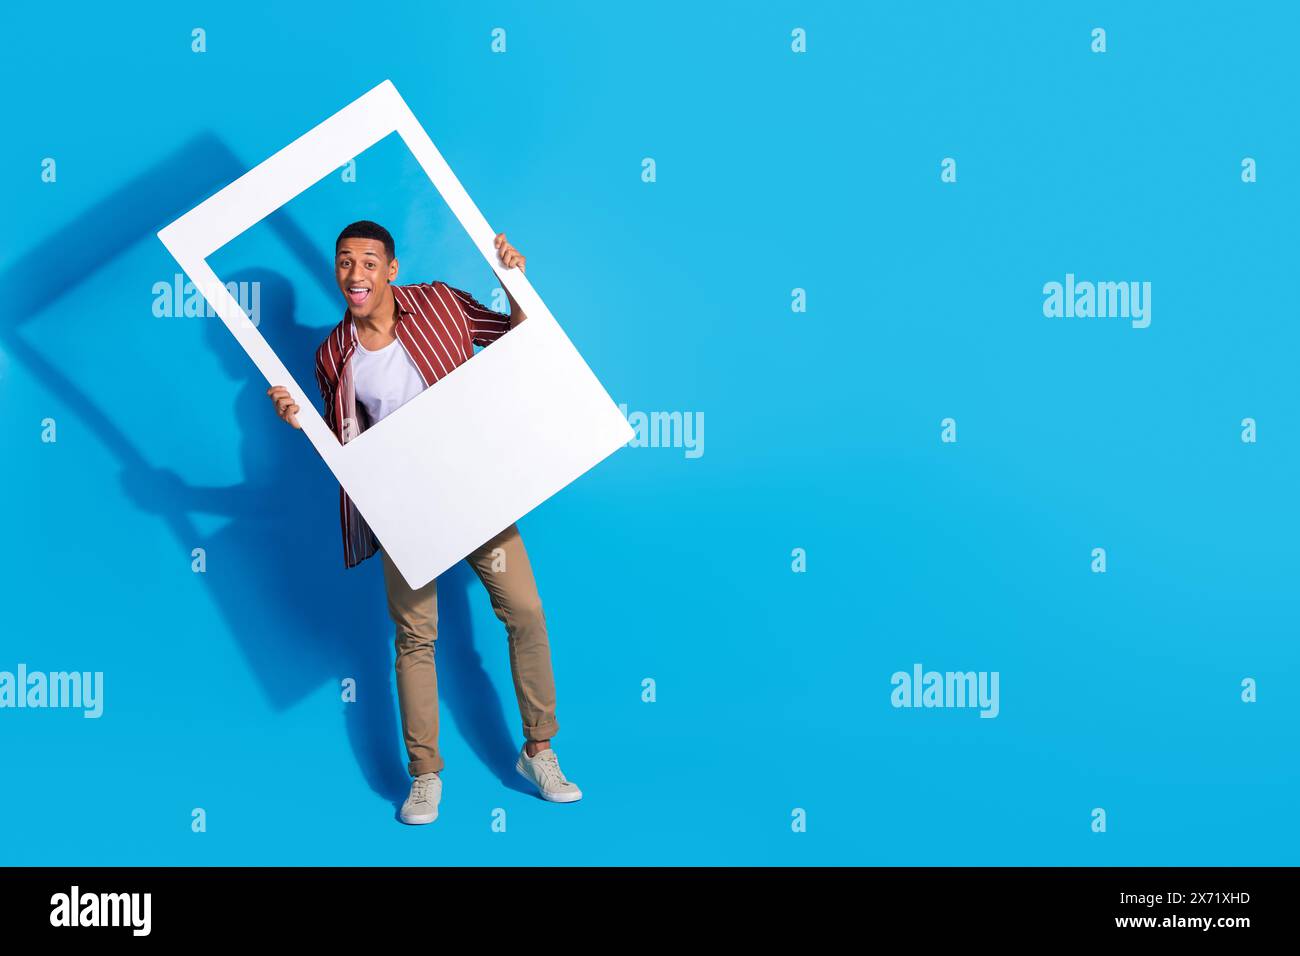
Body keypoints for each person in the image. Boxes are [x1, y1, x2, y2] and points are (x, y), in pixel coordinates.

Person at [266, 220, 581, 824]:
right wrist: (300, 422)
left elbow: (520, 337)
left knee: (525, 611)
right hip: (404, 508)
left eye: (366, 262)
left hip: (475, 490)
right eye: (344, 262)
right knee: (415, 638)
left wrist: (513, 280)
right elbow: (346, 445)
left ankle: (539, 749)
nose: (354, 274)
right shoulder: (332, 354)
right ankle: (425, 775)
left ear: (391, 269)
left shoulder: (439, 302)